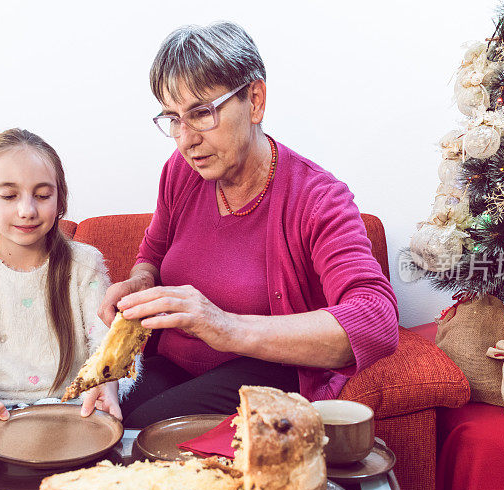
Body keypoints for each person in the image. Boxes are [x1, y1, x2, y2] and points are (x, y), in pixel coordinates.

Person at [82, 22, 399, 427]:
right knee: (96, 422)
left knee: (141, 431)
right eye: (173, 119)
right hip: (175, 365)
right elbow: (152, 255)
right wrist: (141, 284)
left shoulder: (318, 198)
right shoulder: (181, 172)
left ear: (255, 100)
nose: (185, 139)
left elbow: (376, 318)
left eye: (200, 114)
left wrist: (223, 325)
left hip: (265, 373)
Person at [0, 128, 121, 437]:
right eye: (9, 196)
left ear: (60, 200)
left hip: (71, 414)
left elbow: (108, 347)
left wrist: (105, 384)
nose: (27, 210)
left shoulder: (85, 264)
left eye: (43, 195)